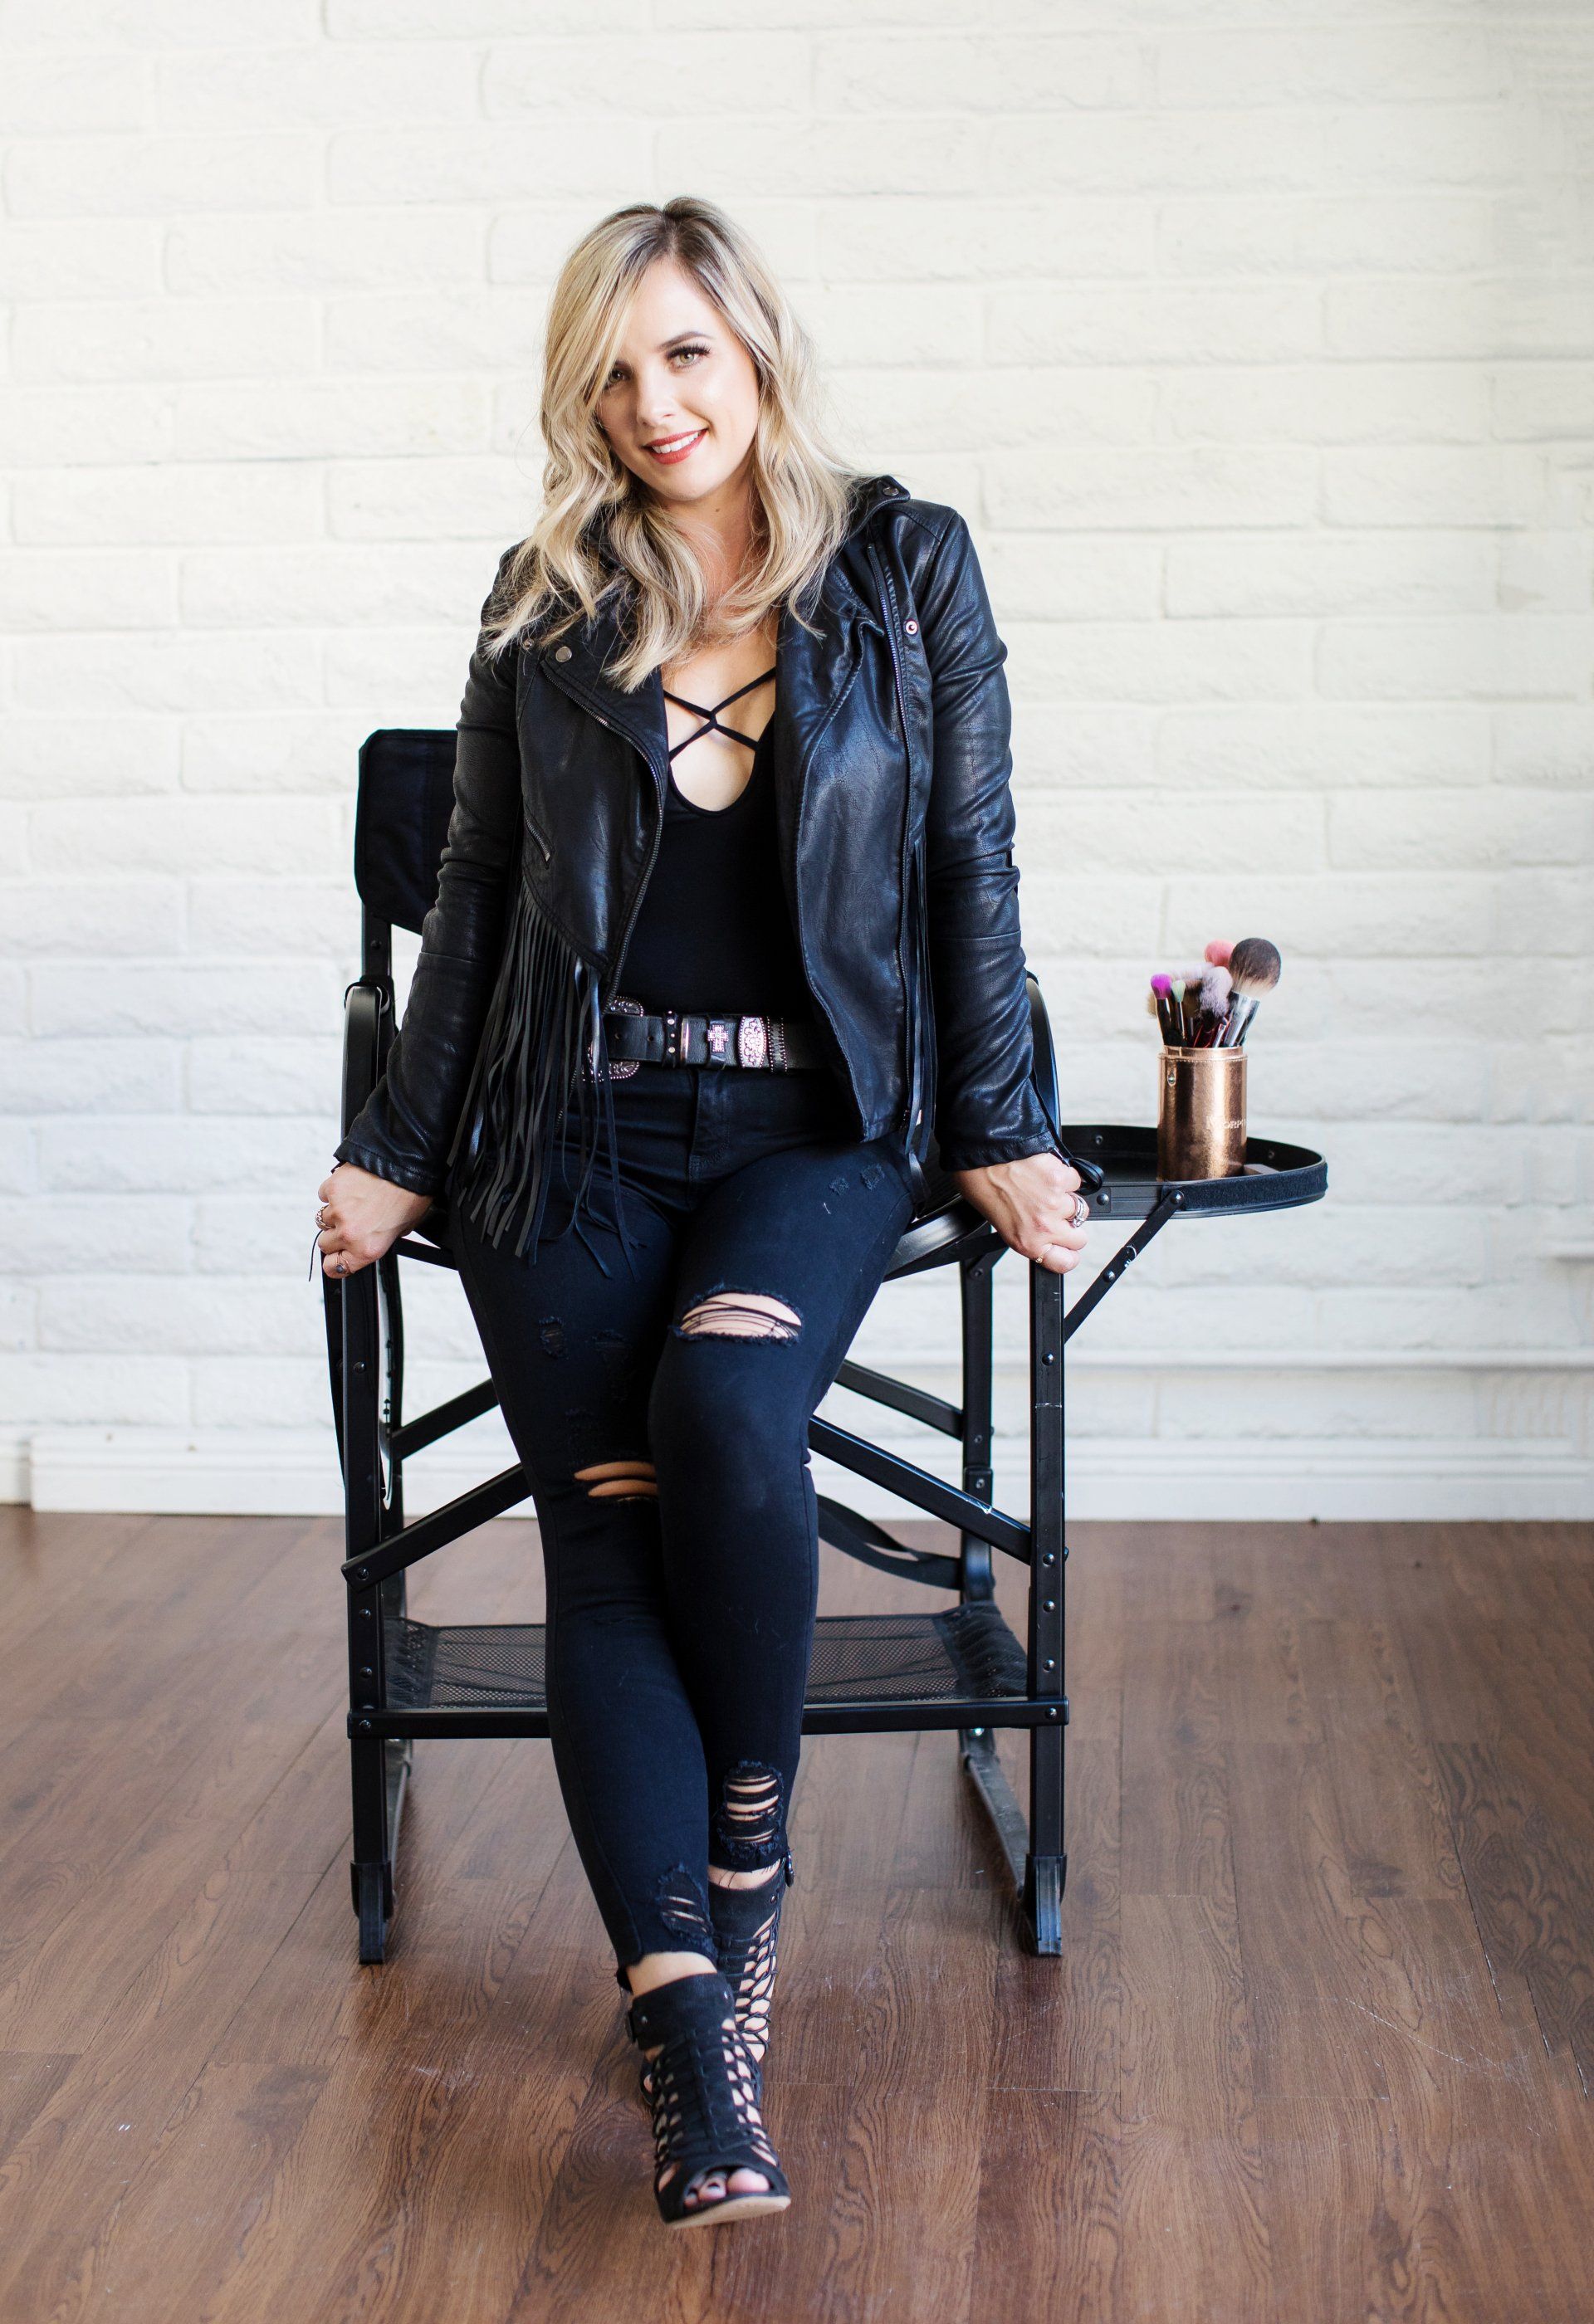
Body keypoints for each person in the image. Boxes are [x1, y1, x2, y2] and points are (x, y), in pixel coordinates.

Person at [310, 197, 1090, 2231]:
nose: (653, 403)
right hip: (566, 1129)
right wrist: (400, 1142)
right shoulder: (545, 597)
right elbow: (475, 900)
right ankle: (688, 2052)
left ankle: (749, 1861)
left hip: (814, 1125)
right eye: (614, 368)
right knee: (609, 1537)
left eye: (684, 353)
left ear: (753, 347)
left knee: (732, 1417)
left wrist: (1003, 1115)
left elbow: (970, 861)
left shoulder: (903, 567)